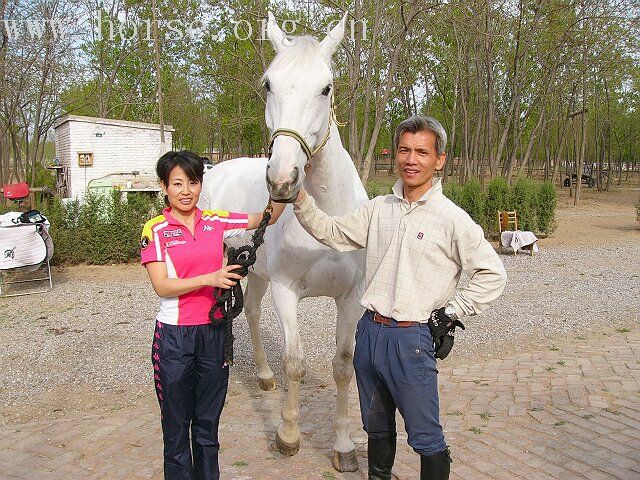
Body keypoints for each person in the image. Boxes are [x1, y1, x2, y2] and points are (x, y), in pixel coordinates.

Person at [292, 115, 507, 480]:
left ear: (439, 160)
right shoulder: (379, 208)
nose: (412, 159)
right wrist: (299, 197)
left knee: (425, 437)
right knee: (376, 427)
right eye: (405, 150)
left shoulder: (452, 219)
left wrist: (451, 313)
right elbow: (333, 232)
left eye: (422, 152)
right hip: (370, 334)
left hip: (413, 340)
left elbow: (493, 273)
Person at [141, 150, 285, 480]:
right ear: (164, 187)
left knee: (207, 428)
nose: (186, 190)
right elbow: (162, 286)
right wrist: (211, 278)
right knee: (177, 431)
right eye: (177, 183)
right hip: (174, 339)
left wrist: (282, 181)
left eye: (193, 182)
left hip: (213, 335)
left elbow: (268, 217)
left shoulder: (215, 220)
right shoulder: (156, 230)